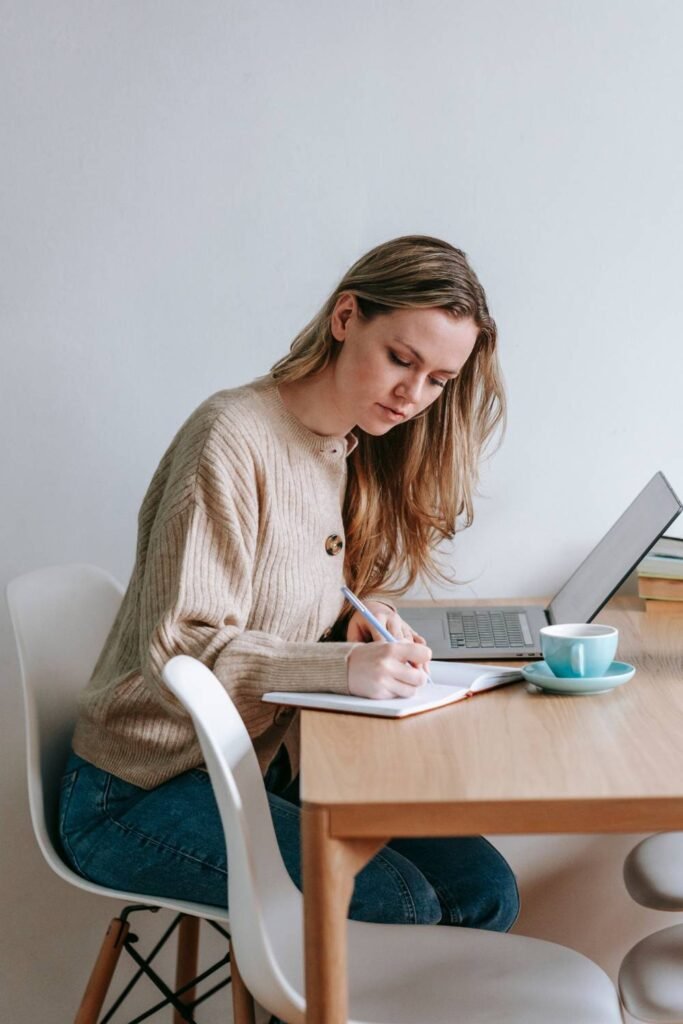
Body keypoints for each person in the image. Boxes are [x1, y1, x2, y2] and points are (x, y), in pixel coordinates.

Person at [60, 235, 519, 951]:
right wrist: (337, 668)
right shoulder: (231, 437)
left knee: (482, 889)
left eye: (437, 380)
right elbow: (179, 643)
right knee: (399, 902)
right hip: (138, 790)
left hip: (256, 767)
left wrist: (357, 622)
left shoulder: (342, 447)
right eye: (400, 358)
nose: (412, 395)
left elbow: (283, 590)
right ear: (345, 317)